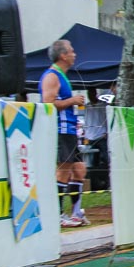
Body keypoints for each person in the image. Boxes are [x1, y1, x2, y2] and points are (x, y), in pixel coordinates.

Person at [40, 39, 88, 227]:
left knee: (79, 169)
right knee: (63, 171)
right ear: (63, 55)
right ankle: (57, 214)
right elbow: (48, 103)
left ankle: (76, 212)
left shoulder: (61, 75)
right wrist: (72, 100)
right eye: (72, 51)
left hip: (69, 129)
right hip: (60, 129)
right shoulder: (52, 76)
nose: (75, 54)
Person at [84, 85, 113, 194]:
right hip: (91, 137)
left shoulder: (103, 105)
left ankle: (106, 183)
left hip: (101, 136)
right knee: (92, 163)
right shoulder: (87, 106)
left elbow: (107, 118)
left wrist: (107, 132)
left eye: (92, 93)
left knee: (105, 160)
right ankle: (96, 185)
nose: (90, 95)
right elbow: (87, 121)